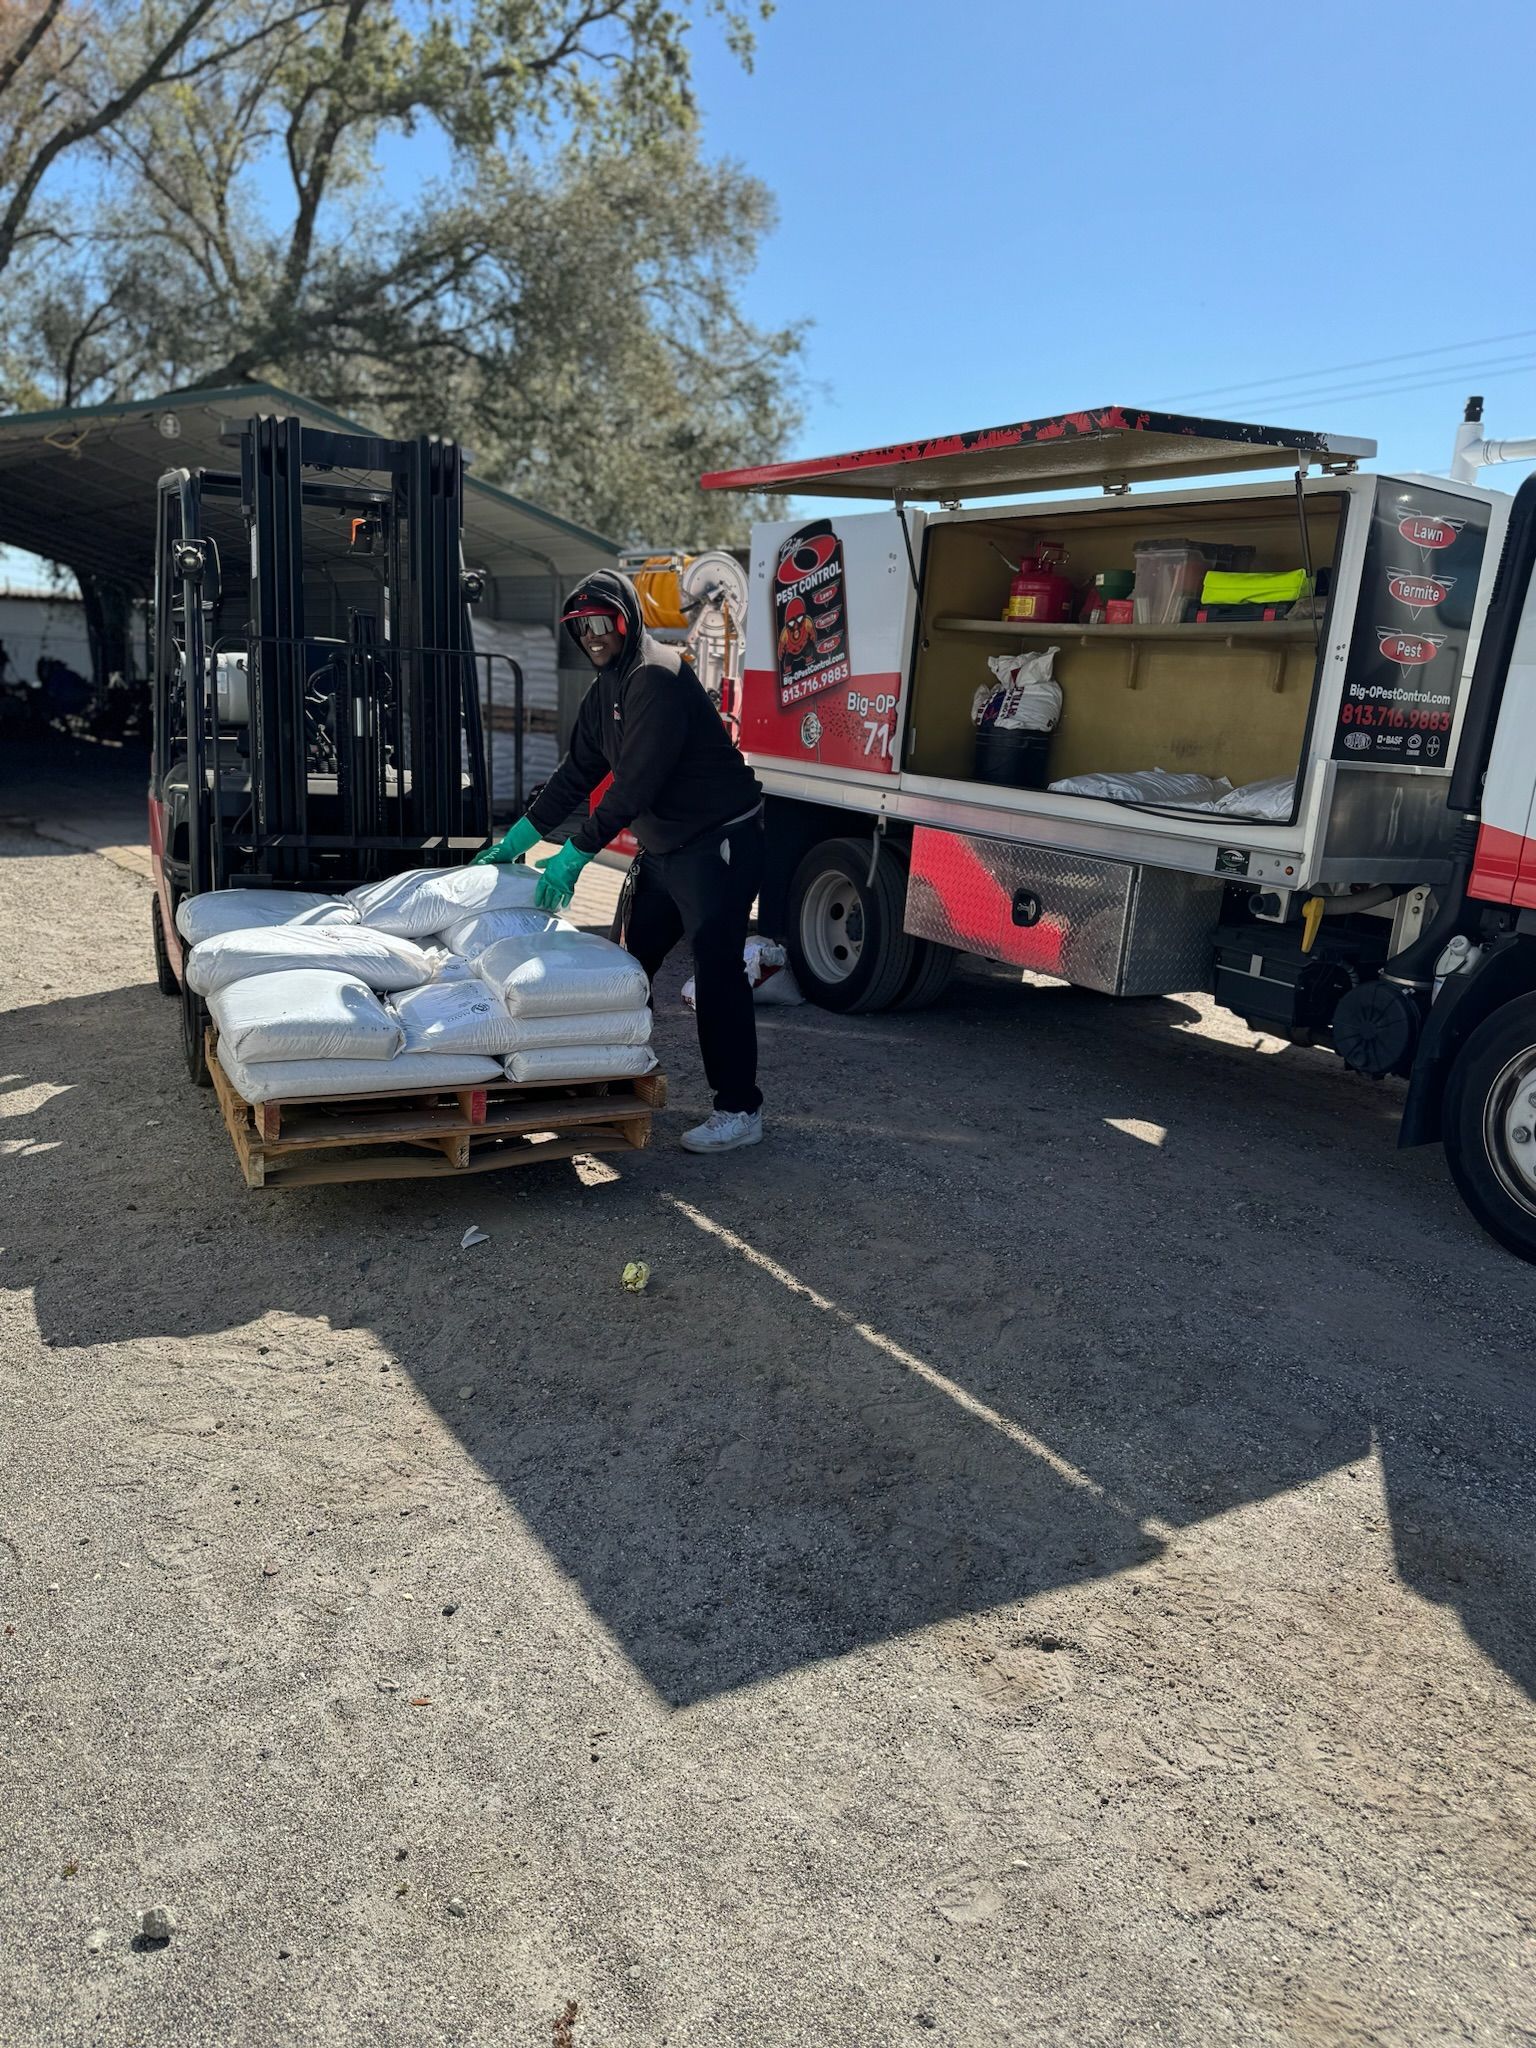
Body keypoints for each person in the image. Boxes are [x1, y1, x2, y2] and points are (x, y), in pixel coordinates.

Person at [477, 569, 766, 1155]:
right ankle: (604, 1077)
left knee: (716, 976)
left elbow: (633, 784)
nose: (591, 634)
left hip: (717, 846)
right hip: (665, 850)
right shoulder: (605, 688)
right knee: (623, 966)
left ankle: (739, 1109)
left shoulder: (655, 676)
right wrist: (523, 834)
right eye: (579, 626)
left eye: (601, 620)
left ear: (626, 619)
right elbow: (576, 771)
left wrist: (576, 852)